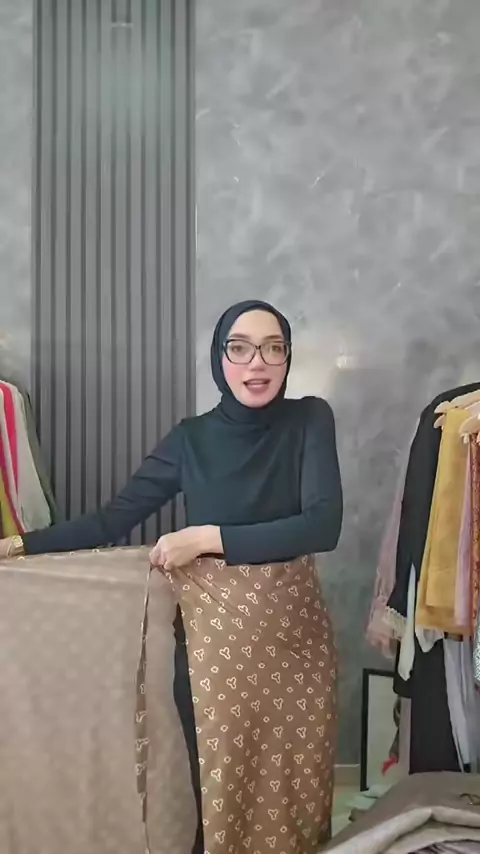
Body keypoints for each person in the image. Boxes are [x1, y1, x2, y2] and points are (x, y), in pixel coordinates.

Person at [0, 299, 343, 853]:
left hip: (295, 638)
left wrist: (205, 538)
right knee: (218, 789)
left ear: (287, 357)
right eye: (239, 348)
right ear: (219, 358)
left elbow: (322, 526)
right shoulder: (192, 439)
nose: (257, 362)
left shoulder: (310, 419)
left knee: (296, 789)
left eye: (273, 348)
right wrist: (17, 545)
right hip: (214, 648)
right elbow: (113, 519)